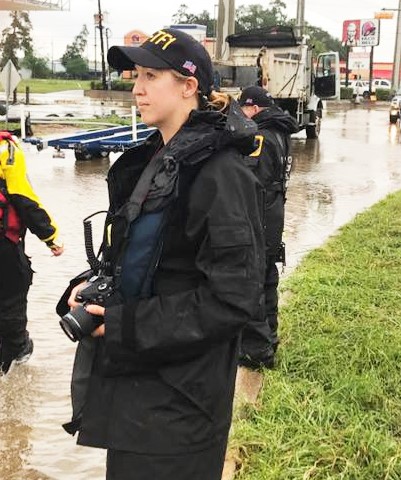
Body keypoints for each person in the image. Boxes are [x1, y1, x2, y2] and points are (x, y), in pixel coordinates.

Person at [58, 28, 265, 480]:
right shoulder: (155, 160)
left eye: (152, 75)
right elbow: (148, 263)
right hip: (138, 392)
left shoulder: (221, 174)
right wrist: (90, 293)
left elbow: (233, 298)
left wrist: (124, 325)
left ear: (189, 86)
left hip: (182, 405)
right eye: (136, 75)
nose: (137, 88)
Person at [238, 86, 299, 370]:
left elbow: (250, 181)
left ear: (253, 108)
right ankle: (270, 338)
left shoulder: (260, 136)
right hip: (274, 213)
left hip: (259, 215)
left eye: (243, 109)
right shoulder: (282, 131)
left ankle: (256, 352)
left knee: (251, 282)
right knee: (267, 277)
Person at [0, 131, 64, 375]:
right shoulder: (6, 148)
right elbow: (22, 197)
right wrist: (51, 236)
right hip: (4, 245)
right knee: (12, 300)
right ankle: (15, 364)